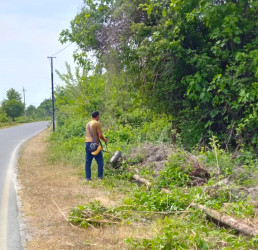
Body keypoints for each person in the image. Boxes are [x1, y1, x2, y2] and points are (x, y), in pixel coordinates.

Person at [85, 111, 108, 181]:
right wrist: (105, 140)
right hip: (94, 145)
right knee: (100, 161)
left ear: (91, 116)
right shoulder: (97, 123)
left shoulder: (88, 124)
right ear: (98, 116)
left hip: (87, 144)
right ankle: (99, 177)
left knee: (88, 161)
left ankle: (88, 178)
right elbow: (100, 135)